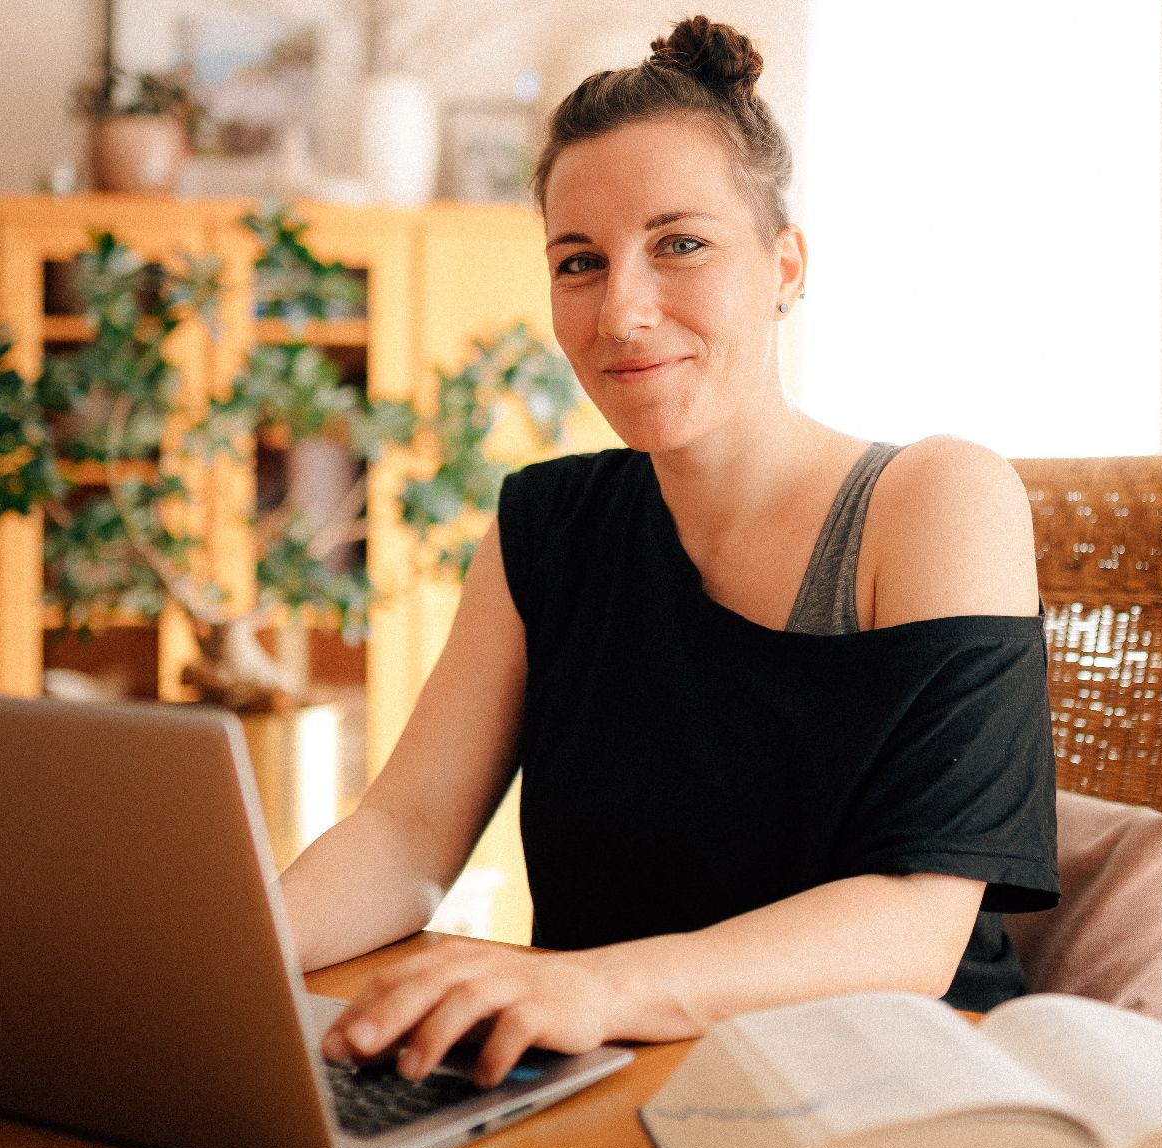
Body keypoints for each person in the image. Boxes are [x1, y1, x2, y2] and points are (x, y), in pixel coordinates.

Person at [281, 15, 1058, 1090]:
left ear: (786, 264)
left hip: (895, 1094)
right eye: (579, 262)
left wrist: (591, 988)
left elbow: (916, 927)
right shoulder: (542, 528)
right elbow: (407, 837)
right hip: (604, 1081)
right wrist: (219, 952)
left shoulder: (938, 499)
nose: (622, 311)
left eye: (680, 244)